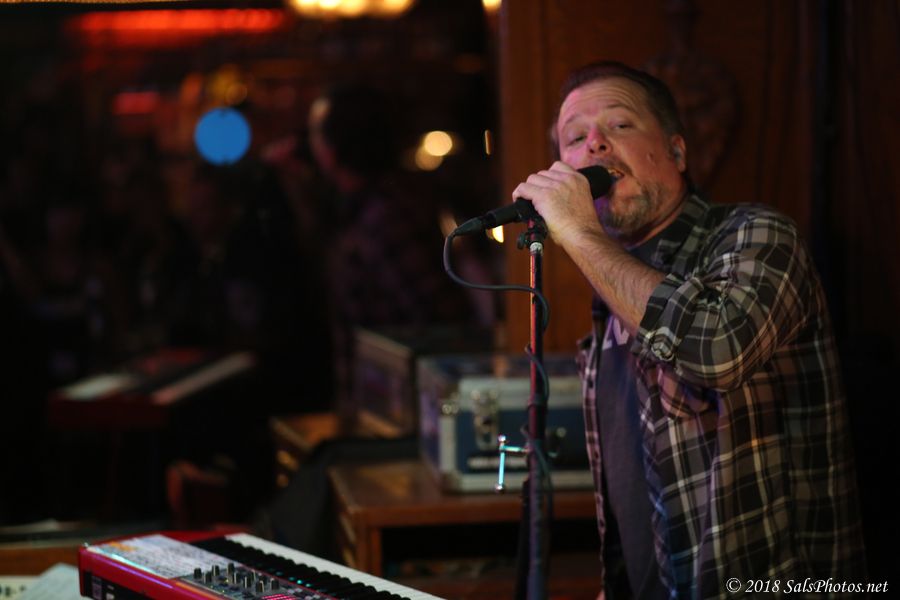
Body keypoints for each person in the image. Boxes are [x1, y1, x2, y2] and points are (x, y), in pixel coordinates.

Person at [512, 61, 866, 599]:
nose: (595, 145)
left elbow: (716, 349)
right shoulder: (608, 296)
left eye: (620, 124)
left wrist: (580, 233)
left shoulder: (757, 235)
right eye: (575, 138)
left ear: (677, 152)